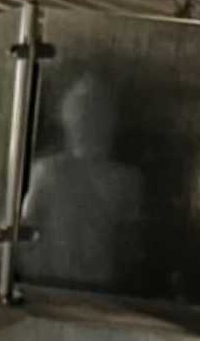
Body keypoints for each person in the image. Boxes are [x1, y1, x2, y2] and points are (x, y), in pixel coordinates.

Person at [18, 70, 146, 289]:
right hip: (49, 287)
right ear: (66, 116)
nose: (85, 118)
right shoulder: (47, 171)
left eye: (95, 111)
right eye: (80, 109)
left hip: (103, 294)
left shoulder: (127, 181)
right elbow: (24, 235)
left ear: (111, 119)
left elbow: (130, 251)